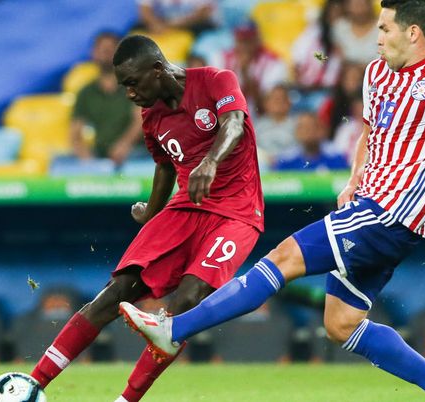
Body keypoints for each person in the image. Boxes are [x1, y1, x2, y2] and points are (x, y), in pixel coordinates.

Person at [120, 1, 425, 400]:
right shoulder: (375, 73)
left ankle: (174, 329)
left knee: (283, 257)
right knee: (340, 323)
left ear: (413, 32)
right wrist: (353, 181)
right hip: (367, 205)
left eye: (385, 27)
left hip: (395, 211)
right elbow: (371, 132)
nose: (378, 35)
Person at [30, 35, 265, 402]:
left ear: (157, 70)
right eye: (124, 86)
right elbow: (164, 166)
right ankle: (33, 384)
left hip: (236, 211)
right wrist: (152, 212)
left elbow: (234, 123)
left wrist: (210, 162)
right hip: (184, 208)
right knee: (115, 293)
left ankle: (126, 399)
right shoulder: (151, 115)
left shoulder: (216, 80)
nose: (129, 93)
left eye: (133, 83)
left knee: (187, 301)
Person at [70, 62, 144, 165]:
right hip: (101, 153)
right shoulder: (86, 92)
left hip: (135, 152)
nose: (105, 52)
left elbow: (141, 119)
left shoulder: (134, 87)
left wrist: (125, 144)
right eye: (101, 49)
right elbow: (75, 132)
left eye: (109, 49)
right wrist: (86, 158)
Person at [275, 112, 349, 172]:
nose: (308, 132)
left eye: (313, 127)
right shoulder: (286, 160)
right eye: (303, 128)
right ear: (296, 132)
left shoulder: (336, 157)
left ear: (322, 131)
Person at [137, 0, 218, 35]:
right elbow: (144, 8)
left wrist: (175, 24)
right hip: (161, 25)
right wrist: (154, 23)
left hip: (191, 26)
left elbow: (205, 11)